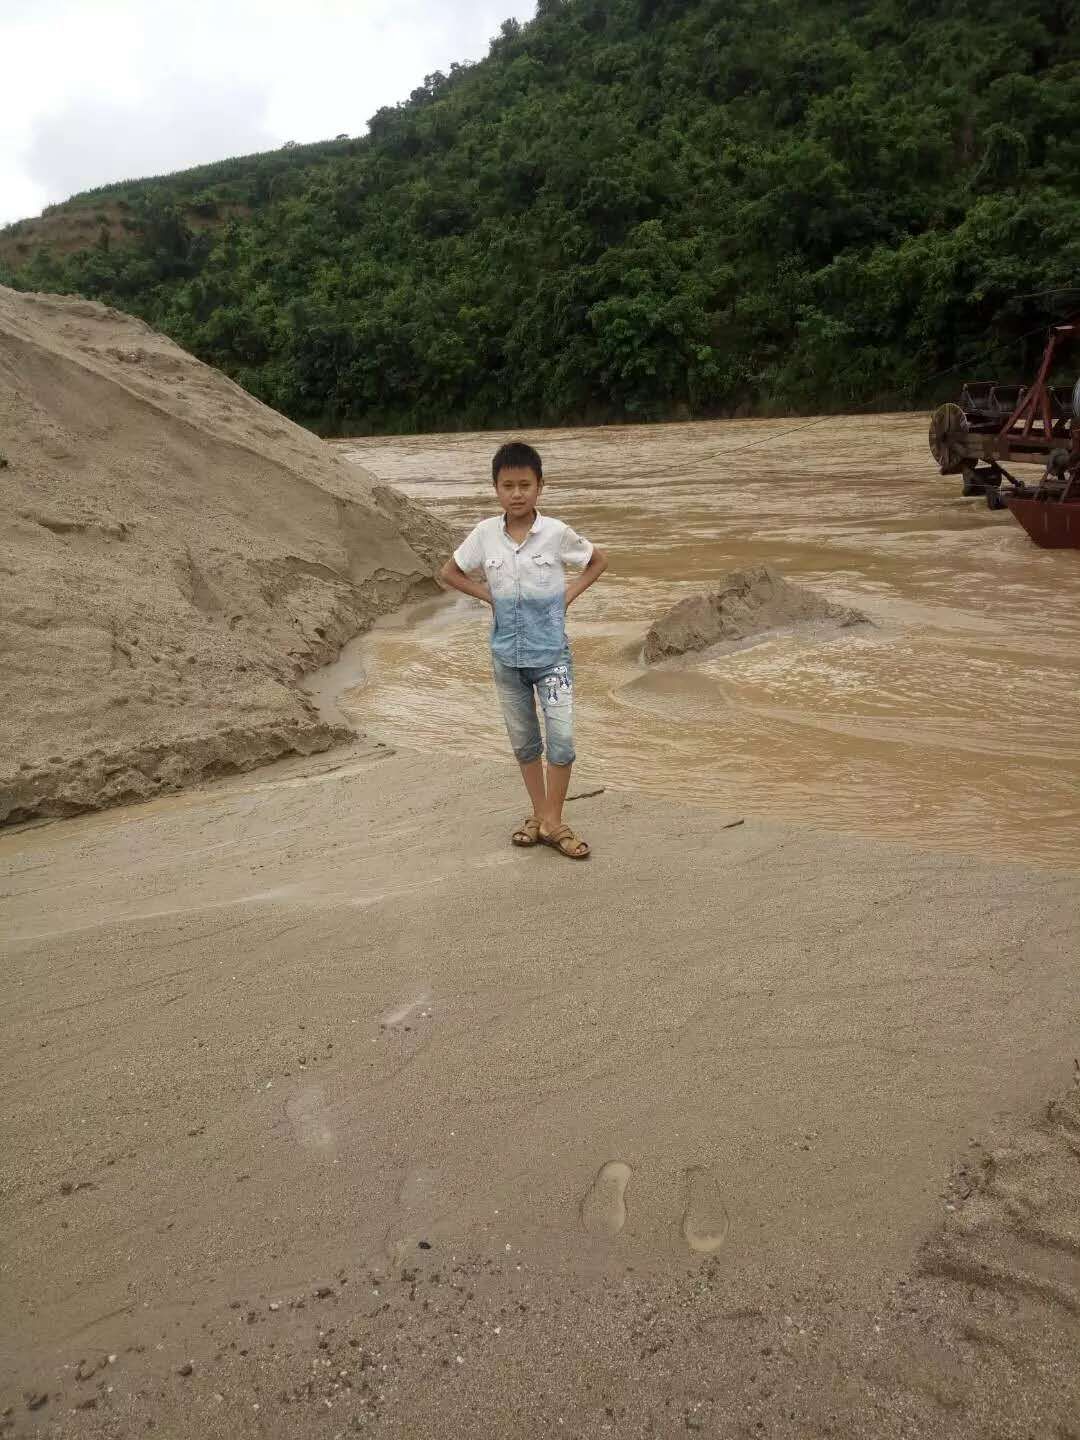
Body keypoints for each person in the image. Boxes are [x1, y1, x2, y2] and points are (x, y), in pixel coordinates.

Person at [439, 440, 608, 859]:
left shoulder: (555, 533)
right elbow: (450, 572)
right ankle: (544, 819)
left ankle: (551, 821)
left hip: (552, 657)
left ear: (540, 487)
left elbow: (597, 561)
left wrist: (568, 595)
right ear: (496, 488)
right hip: (506, 658)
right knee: (525, 743)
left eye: (525, 485)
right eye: (508, 485)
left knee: (563, 741)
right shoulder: (483, 535)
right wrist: (489, 597)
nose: (516, 493)